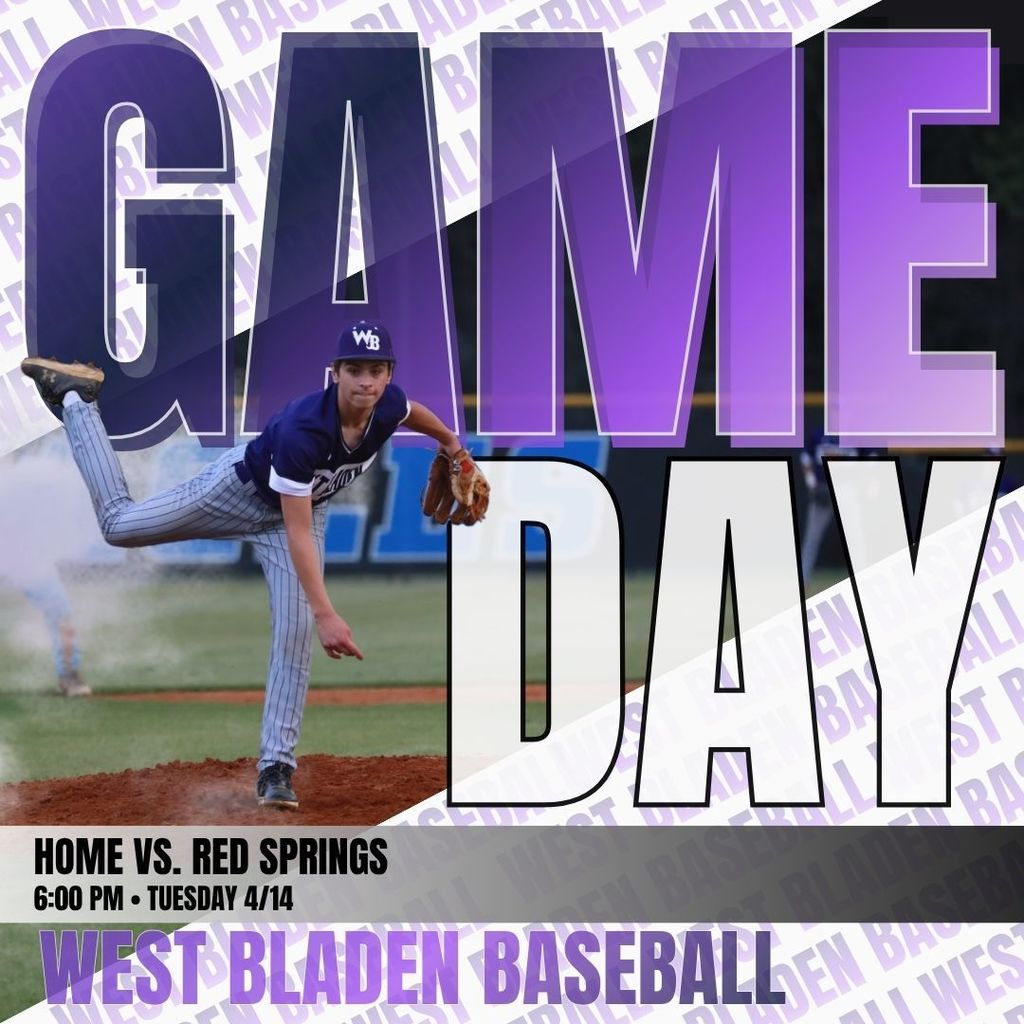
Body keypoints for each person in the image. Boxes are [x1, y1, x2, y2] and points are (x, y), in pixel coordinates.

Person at [21, 321, 479, 809]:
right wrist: (326, 612)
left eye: (375, 370)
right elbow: (299, 530)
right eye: (354, 370)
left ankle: (276, 768)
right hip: (236, 493)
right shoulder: (306, 430)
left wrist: (453, 446)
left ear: (388, 375)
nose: (365, 381)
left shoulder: (388, 403)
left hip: (293, 519)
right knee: (118, 527)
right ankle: (76, 400)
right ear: (335, 373)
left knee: (294, 630)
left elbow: (415, 414)